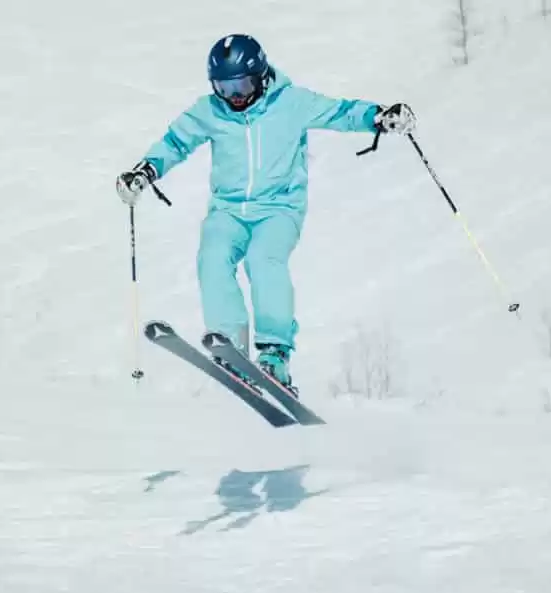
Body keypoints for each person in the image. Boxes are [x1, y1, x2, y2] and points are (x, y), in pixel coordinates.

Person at [116, 33, 415, 394]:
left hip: (279, 209)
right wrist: (146, 170)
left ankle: (275, 354)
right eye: (224, 88)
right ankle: (230, 346)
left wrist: (378, 117)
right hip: (228, 210)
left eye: (241, 85)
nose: (234, 96)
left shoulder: (291, 102)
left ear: (260, 76)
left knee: (263, 259)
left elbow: (340, 112)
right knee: (212, 257)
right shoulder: (210, 110)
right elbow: (176, 141)